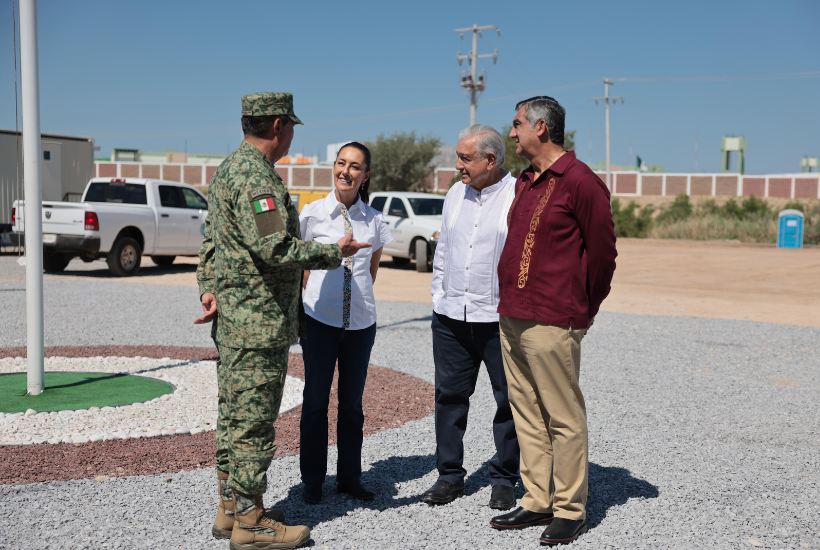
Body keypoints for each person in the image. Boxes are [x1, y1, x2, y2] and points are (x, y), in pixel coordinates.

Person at [194, 92, 370, 550]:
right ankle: (251, 526)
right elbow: (276, 248)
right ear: (277, 126)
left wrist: (208, 288)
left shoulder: (228, 169)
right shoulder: (257, 178)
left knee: (232, 416)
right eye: (290, 126)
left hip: (234, 318)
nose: (291, 133)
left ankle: (230, 510)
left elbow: (210, 240)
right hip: (258, 322)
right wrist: (336, 252)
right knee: (253, 421)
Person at [488, 96, 617, 547]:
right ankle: (538, 497)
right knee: (526, 412)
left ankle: (570, 509)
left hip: (553, 319)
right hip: (512, 315)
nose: (512, 133)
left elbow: (603, 256)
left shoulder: (581, 182)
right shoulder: (526, 180)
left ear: (541, 128)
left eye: (518, 124)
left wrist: (583, 310)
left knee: (562, 417)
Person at [422, 124, 520, 510]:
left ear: (490, 159)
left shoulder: (516, 194)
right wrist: (438, 297)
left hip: (498, 321)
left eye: (465, 158)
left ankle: (504, 478)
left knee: (509, 401)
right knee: (449, 397)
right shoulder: (454, 194)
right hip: (451, 319)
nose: (458, 165)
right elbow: (444, 249)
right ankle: (449, 477)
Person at [297, 142, 392, 504]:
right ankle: (312, 481)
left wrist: (354, 306)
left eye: (355, 166)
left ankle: (350, 477)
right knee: (315, 401)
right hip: (319, 321)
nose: (345, 171)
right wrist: (316, 299)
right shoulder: (312, 214)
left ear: (365, 175)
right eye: (340, 163)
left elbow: (371, 269)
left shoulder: (375, 220)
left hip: (360, 325)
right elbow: (302, 264)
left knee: (352, 404)